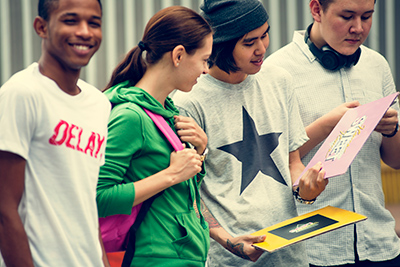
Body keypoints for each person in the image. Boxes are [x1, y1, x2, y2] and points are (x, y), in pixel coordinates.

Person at [172, 0, 328, 266]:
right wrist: (227, 241)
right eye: (249, 42)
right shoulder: (188, 101)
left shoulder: (280, 80)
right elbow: (188, 193)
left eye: (265, 35)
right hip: (229, 257)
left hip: (289, 253)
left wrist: (307, 189)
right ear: (220, 44)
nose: (261, 48)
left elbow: (291, 162)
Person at [265, 0, 400, 266]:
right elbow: (271, 161)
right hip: (314, 250)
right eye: (347, 16)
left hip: (380, 243)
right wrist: (328, 125)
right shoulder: (276, 71)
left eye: (367, 16)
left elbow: (395, 161)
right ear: (316, 10)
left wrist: (392, 129)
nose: (358, 28)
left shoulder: (377, 65)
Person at [96, 6, 213, 267]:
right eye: (204, 60)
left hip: (181, 256)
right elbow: (97, 197)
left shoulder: (169, 114)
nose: (206, 70)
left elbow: (181, 193)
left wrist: (199, 153)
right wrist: (171, 174)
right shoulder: (130, 117)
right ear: (179, 55)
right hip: (153, 258)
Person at [0, 0, 111, 266]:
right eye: (70, 20)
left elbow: (85, 202)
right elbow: (4, 210)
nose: (85, 32)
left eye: (93, 23)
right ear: (42, 27)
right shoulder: (22, 93)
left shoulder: (99, 104)